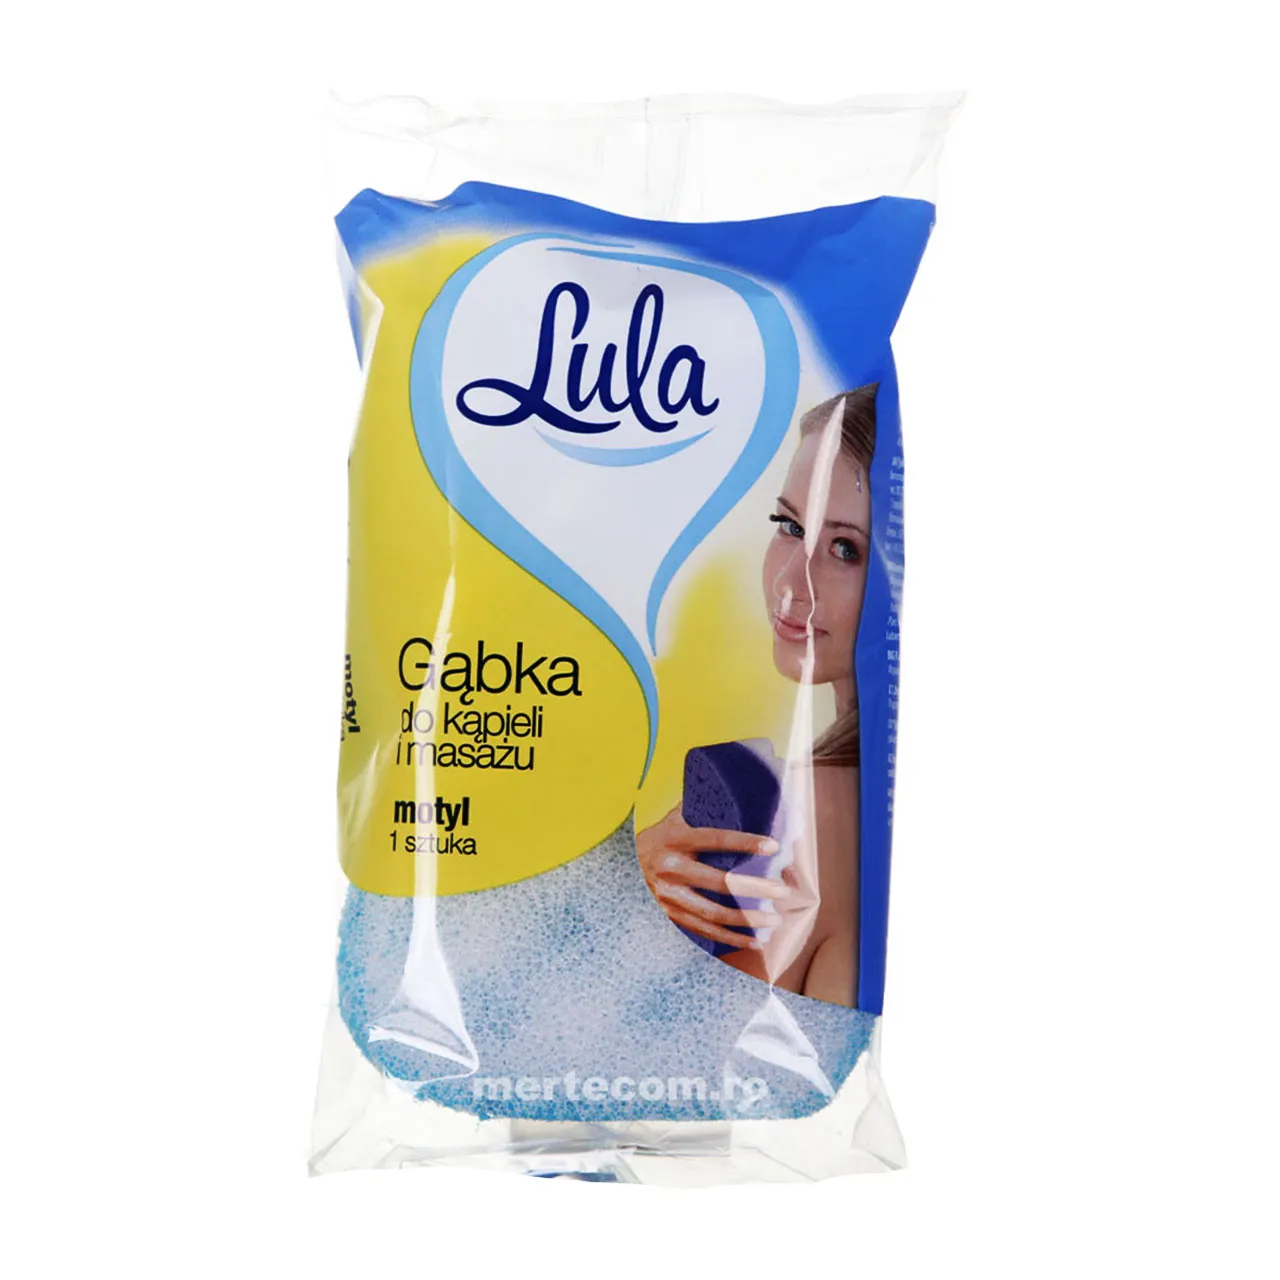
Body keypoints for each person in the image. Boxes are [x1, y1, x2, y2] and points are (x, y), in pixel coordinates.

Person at [636, 385, 876, 1007]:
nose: (792, 583)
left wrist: (629, 878)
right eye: (790, 526)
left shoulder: (801, 818)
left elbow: (685, 1049)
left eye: (845, 549)